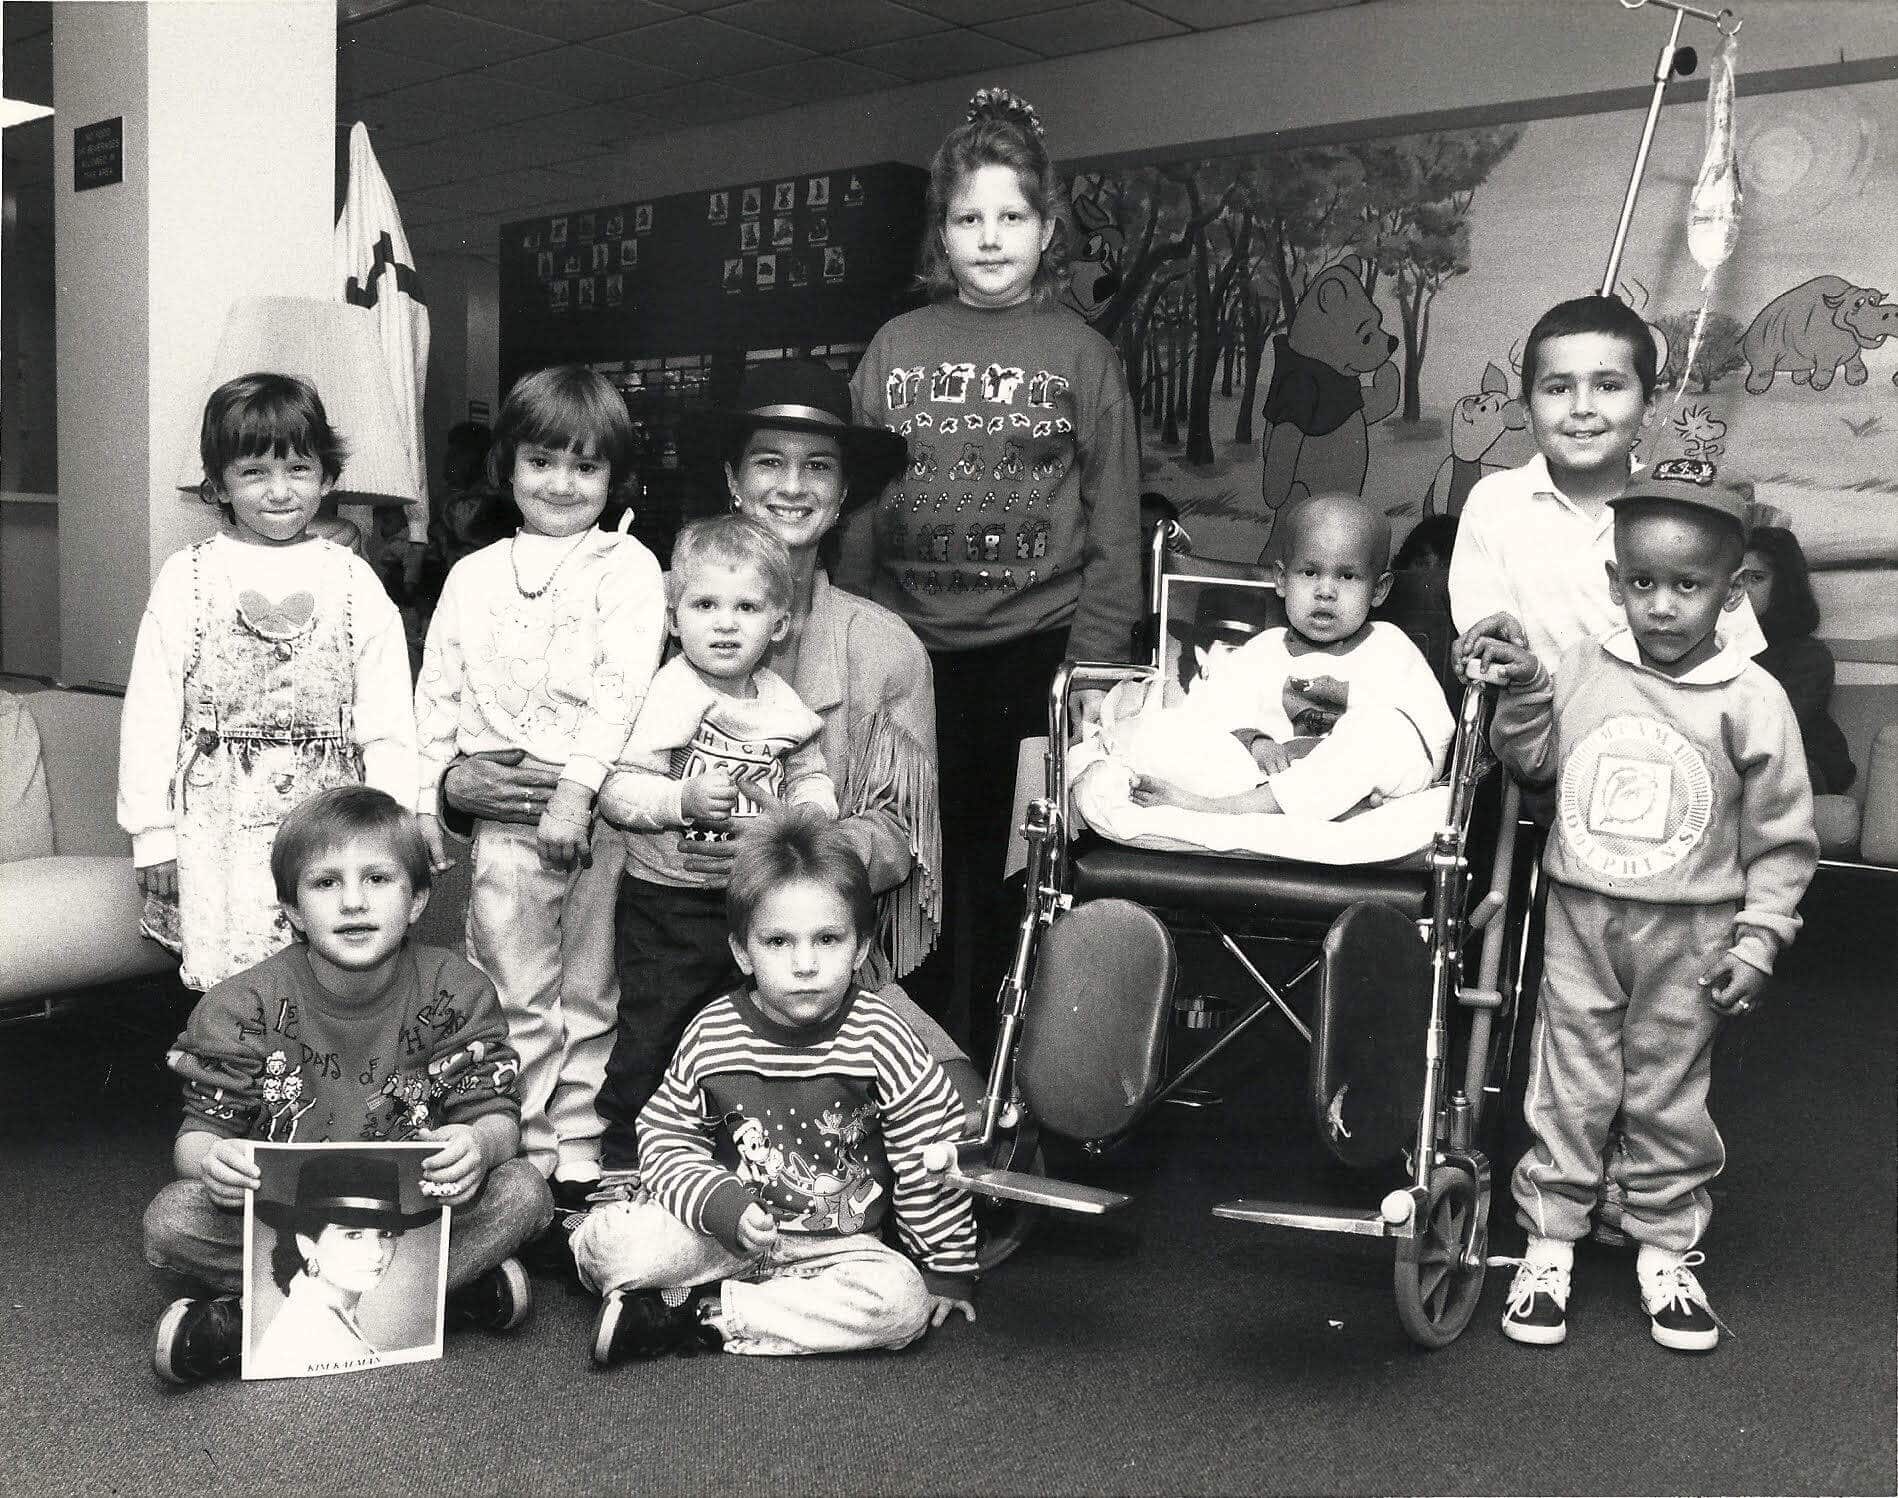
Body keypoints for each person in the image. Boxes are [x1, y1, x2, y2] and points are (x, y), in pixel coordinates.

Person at [1462, 459, 1817, 1354]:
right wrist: (1526, 691)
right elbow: (1535, 762)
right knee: (1569, 1085)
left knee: (1666, 1092)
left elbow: (1782, 841)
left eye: (1689, 587)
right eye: (1644, 584)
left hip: (1692, 933)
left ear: (1732, 593)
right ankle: (1549, 1241)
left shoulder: (1754, 698)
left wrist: (1759, 940)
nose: (1663, 606)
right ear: (1616, 582)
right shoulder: (1585, 665)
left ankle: (1666, 1246)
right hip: (1583, 921)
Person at [840, 85, 1142, 1052]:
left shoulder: (1083, 354)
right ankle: (922, 1080)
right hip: (907, 659)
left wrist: (1090, 668)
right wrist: (845, 633)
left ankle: (1016, 1085)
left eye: (1012, 216)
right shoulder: (896, 346)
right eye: (968, 217)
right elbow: (855, 507)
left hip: (1036, 661)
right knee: (915, 873)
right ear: (943, 232)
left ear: (1048, 229)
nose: (990, 236)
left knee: (1019, 883)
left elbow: (1115, 519)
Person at [144, 786, 551, 1384]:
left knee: (523, 1192)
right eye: (326, 883)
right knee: (171, 1221)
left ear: (416, 901)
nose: (353, 903)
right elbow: (197, 1137)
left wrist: (478, 1145)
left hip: (410, 1212)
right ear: (291, 908)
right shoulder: (239, 1005)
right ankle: (454, 1297)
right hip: (285, 1223)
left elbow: (495, 1114)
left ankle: (240, 1326)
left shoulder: (458, 990)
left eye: (378, 880)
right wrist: (214, 1163)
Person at [572, 806, 978, 1363]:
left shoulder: (883, 1036)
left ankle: (697, 1317)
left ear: (860, 948)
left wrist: (947, 1268)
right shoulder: (713, 1032)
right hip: (723, 1236)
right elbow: (664, 1138)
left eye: (828, 940)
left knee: (902, 1303)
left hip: (839, 1249)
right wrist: (719, 1204)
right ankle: (718, 1294)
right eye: (779, 942)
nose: (805, 964)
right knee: (610, 1245)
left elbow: (931, 1154)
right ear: (743, 952)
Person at [413, 365, 666, 1195]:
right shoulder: (472, 574)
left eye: (586, 467)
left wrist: (575, 794)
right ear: (509, 466)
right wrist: (426, 803)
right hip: (504, 828)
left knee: (589, 988)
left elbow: (623, 692)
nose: (562, 483)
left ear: (614, 477)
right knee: (513, 988)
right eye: (542, 462)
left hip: (591, 817)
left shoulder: (628, 568)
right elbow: (438, 696)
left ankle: (580, 1147)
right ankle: (521, 1146)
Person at [117, 372, 418, 993]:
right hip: (217, 820)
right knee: (235, 982)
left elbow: (388, 720)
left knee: (332, 976)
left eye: (299, 470)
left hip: (333, 817)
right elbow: (150, 715)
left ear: (328, 477)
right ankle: (235, 1089)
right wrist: (153, 838)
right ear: (219, 483)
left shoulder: (354, 580)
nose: (279, 492)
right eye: (254, 472)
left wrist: (398, 821)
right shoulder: (186, 578)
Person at [591, 513, 839, 1169]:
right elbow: (617, 791)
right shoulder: (667, 692)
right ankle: (625, 1160)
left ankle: (733, 1159)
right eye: (705, 605)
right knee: (657, 1029)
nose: (725, 623)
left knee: (745, 1033)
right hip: (668, 904)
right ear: (674, 618)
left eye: (747, 607)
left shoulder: (782, 703)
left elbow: (815, 785)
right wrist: (679, 800)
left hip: (756, 906)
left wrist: (791, 822)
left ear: (779, 624)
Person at [1448, 294, 1764, 674]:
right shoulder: (1493, 504)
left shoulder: (1688, 506)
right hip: (1533, 723)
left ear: (1649, 406)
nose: (1582, 408)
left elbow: (1736, 658)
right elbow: (1487, 644)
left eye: (1608, 386)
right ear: (1527, 408)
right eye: (1558, 388)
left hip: (1669, 726)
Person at [1130, 494, 1453, 821]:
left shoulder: (1390, 647)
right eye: (1310, 573)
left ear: (1379, 589)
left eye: (1347, 576)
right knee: (1162, 725)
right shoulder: (1263, 650)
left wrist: (1372, 764)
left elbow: (1430, 732)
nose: (1326, 591)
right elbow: (1217, 709)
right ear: (1282, 580)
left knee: (1386, 730)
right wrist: (1254, 741)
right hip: (1263, 775)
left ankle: (1221, 810)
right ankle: (1290, 806)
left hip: (1351, 778)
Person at [247, 1152, 440, 1379]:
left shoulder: (324, 1307)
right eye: (353, 1235)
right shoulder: (318, 1335)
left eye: (386, 1234)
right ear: (307, 1244)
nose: (377, 1252)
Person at [1741, 525, 1857, 795]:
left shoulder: (1809, 654)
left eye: (1756, 578)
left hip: (1804, 762)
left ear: (1783, 585)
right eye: (1736, 580)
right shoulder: (1716, 645)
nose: (1743, 591)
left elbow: (1774, 732)